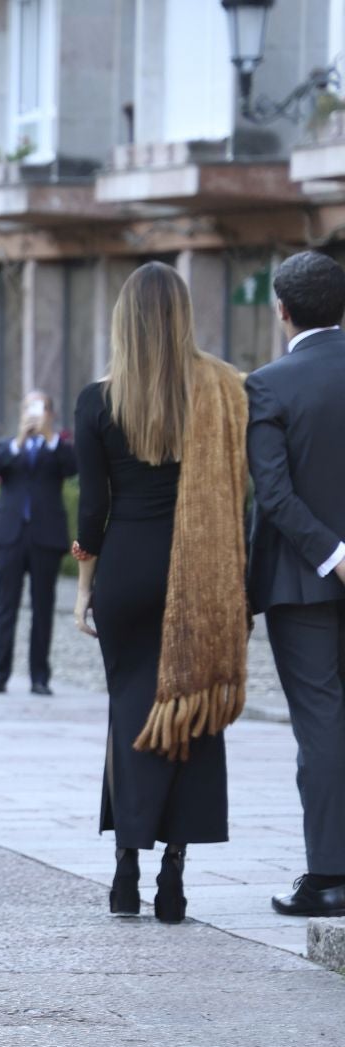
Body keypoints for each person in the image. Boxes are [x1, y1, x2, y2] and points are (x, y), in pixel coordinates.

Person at [74, 262, 248, 923]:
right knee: (194, 717)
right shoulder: (223, 389)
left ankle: (126, 869)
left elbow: (92, 511)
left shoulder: (99, 400)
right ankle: (174, 876)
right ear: (184, 317)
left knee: (132, 716)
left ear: (124, 321)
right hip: (201, 573)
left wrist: (85, 588)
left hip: (127, 572)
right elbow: (241, 494)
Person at [244, 251, 345, 918]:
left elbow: (273, 496)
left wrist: (334, 555)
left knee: (322, 727)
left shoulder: (268, 384)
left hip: (303, 586)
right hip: (314, 576)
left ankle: (330, 878)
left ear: (281, 309)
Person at [0, 389, 76, 696]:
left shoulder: (58, 447)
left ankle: (40, 676)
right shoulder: (9, 445)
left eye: (41, 408)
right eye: (29, 408)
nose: (35, 415)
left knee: (43, 606)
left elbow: (72, 467)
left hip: (45, 535)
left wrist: (51, 438)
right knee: (5, 605)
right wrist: (19, 441)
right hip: (10, 533)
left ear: (51, 413)